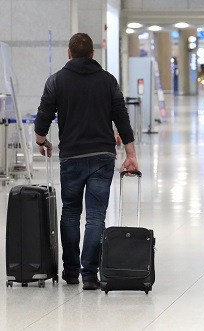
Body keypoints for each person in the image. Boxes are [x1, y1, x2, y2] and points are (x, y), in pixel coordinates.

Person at [34, 33, 138, 290]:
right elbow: (122, 118)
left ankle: (71, 272)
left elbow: (42, 120)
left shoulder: (56, 81)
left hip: (71, 157)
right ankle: (89, 275)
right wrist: (131, 154)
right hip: (103, 157)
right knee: (95, 217)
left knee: (70, 213)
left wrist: (41, 141)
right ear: (93, 54)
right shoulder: (108, 81)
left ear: (69, 54)